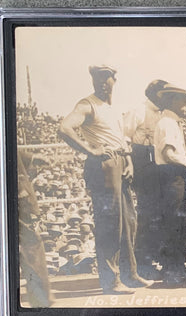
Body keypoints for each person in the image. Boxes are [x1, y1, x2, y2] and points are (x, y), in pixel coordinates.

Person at [58, 65, 150, 295]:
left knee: (128, 221)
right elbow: (64, 128)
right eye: (96, 78)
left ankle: (130, 274)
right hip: (104, 166)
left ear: (113, 80)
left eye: (105, 78)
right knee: (110, 224)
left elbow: (119, 138)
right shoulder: (86, 104)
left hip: (120, 162)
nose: (100, 82)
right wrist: (90, 150)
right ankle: (111, 281)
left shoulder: (113, 107)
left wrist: (128, 161)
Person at [153, 84, 186, 285]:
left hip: (176, 175)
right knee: (173, 223)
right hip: (170, 175)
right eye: (183, 100)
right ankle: (172, 270)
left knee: (179, 222)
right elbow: (168, 154)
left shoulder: (172, 122)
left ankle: (177, 267)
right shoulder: (167, 123)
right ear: (172, 101)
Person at [123, 79, 168, 280]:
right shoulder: (138, 111)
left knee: (159, 214)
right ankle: (143, 263)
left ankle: (156, 260)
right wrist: (129, 164)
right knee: (147, 214)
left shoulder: (164, 114)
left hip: (159, 164)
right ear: (156, 93)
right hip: (143, 163)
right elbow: (125, 138)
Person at [17, 150, 54, 307]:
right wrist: (21, 192)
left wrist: (31, 157)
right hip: (18, 197)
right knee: (32, 247)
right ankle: (41, 300)